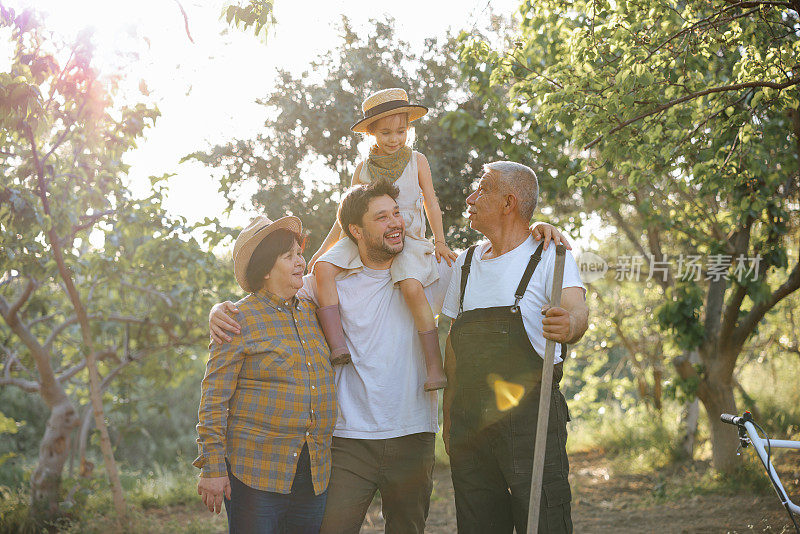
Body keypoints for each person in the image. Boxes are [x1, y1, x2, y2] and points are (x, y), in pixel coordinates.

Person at [209, 183, 570, 533]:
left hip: (414, 435)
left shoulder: (436, 269)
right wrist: (220, 310)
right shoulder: (326, 283)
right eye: (381, 217)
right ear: (356, 230)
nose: (396, 222)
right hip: (349, 439)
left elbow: (496, 260)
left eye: (397, 213)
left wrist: (534, 228)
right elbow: (269, 292)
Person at [440, 161, 589, 534]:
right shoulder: (467, 263)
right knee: (478, 524)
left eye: (482, 189)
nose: (471, 198)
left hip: (531, 421)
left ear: (508, 202)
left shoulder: (551, 256)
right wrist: (450, 417)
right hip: (470, 422)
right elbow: (455, 342)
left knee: (543, 520)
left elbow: (577, 310)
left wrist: (569, 325)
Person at [194, 215, 337, 534]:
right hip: (256, 474)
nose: (301, 262)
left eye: (299, 254)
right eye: (289, 257)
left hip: (313, 471)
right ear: (266, 270)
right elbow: (214, 400)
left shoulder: (312, 310)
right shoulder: (237, 319)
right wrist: (213, 467)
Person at [308, 87, 457, 392]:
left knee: (411, 286)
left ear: (409, 130)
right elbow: (345, 217)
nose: (394, 139)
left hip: (408, 235)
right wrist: (322, 252)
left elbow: (431, 201)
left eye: (401, 131)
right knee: (323, 268)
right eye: (386, 132)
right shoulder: (363, 169)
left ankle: (432, 363)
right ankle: (337, 346)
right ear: (371, 133)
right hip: (369, 233)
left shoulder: (417, 161)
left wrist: (439, 240)